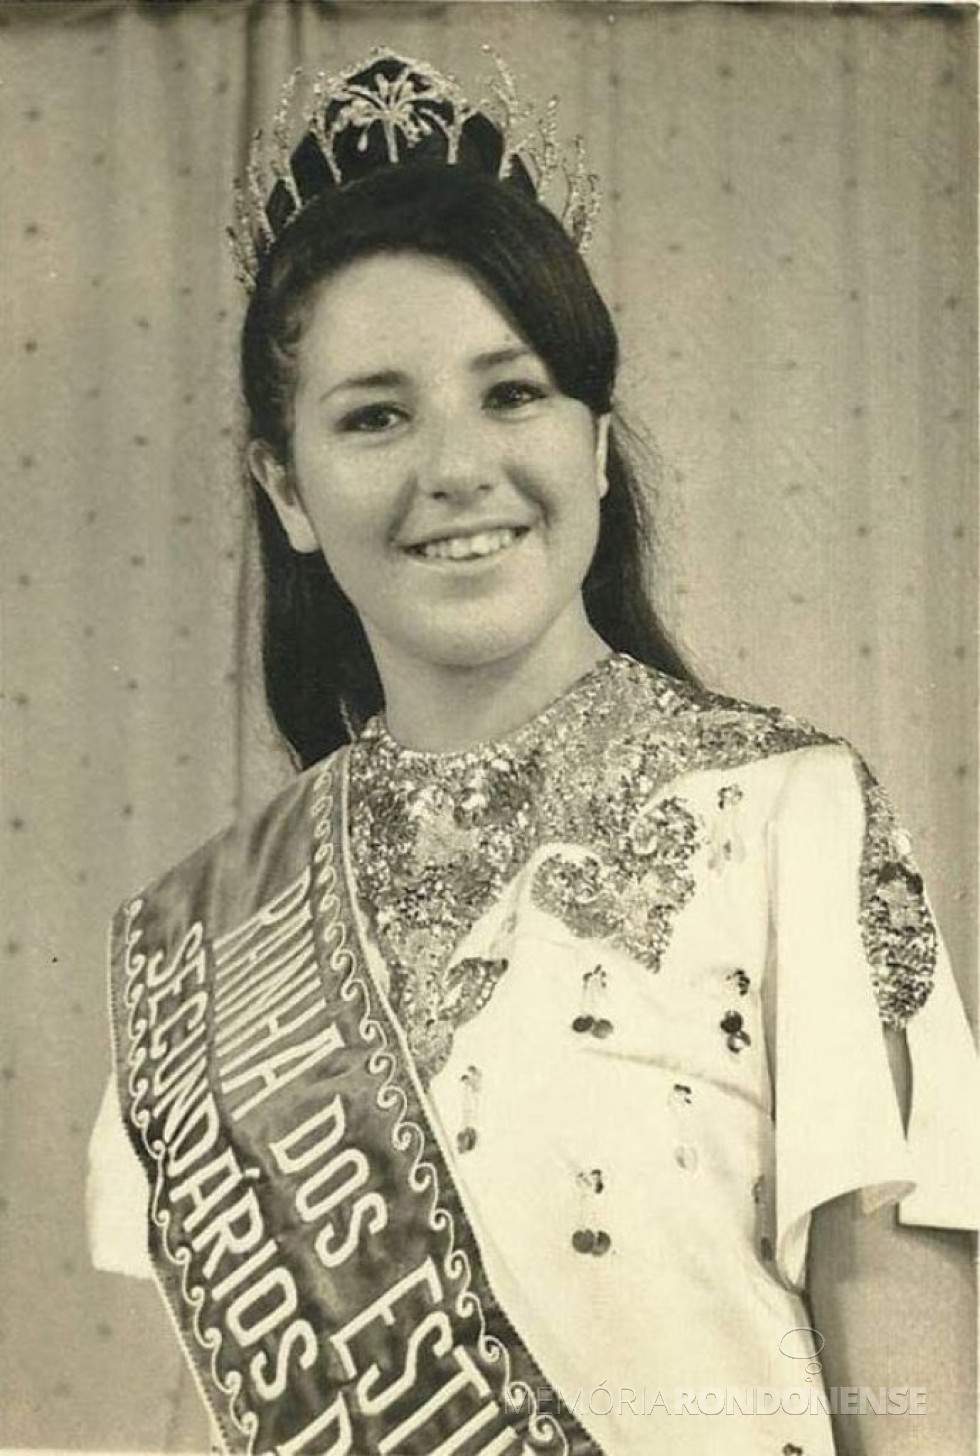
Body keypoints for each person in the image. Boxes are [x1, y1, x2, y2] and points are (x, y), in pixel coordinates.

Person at [88, 49, 977, 1456]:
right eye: (376, 415)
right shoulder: (205, 935)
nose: (457, 466)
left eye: (512, 394)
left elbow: (917, 1403)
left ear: (598, 441)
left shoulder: (789, 820)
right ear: (286, 487)